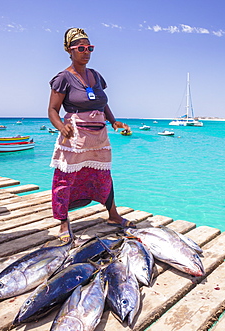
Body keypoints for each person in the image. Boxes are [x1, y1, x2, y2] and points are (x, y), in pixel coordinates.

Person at [48, 27, 136, 240]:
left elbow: (102, 103)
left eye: (90, 48)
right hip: (75, 134)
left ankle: (113, 215)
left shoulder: (96, 76)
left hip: (99, 135)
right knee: (65, 177)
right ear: (70, 50)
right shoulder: (63, 78)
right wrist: (61, 126)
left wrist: (114, 121)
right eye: (81, 48)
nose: (86, 52)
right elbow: (52, 110)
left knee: (103, 176)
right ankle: (63, 222)